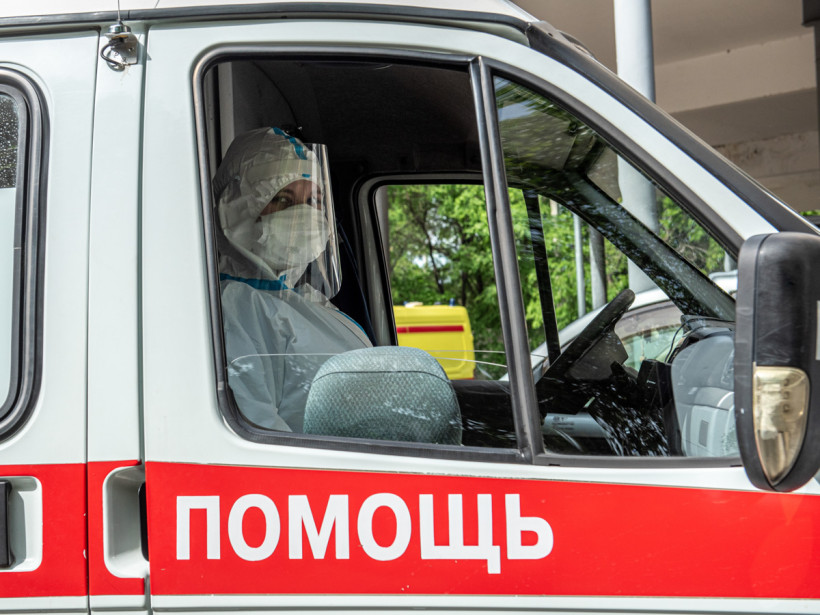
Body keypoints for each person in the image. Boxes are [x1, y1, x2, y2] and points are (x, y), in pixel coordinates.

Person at [212, 127, 371, 432]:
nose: (305, 217)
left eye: (314, 201)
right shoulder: (236, 307)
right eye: (284, 200)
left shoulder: (305, 300)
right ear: (238, 210)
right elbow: (256, 432)